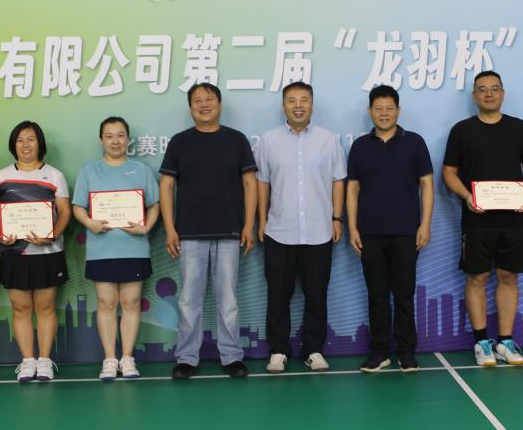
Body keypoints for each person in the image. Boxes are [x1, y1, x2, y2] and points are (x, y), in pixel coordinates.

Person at [442, 71, 523, 367]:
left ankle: (505, 342)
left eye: (494, 89)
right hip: (477, 219)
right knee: (477, 277)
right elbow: (448, 173)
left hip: (514, 219)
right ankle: (482, 342)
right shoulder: (462, 130)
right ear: (474, 95)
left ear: (502, 93)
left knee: (509, 276)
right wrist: (467, 197)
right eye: (482, 89)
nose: (489, 94)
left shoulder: (519, 128)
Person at [159, 83, 257, 379]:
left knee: (228, 300)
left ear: (219, 104)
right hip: (189, 233)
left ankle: (231, 356)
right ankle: (187, 358)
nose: (204, 104)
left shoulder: (236, 140)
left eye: (209, 99)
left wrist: (248, 225)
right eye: (197, 101)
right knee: (189, 300)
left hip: (229, 231)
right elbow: (166, 186)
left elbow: (250, 183)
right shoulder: (180, 142)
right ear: (190, 108)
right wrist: (170, 228)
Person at [256, 81, 347, 373]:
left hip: (319, 231)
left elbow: (338, 180)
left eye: (304, 100)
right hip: (279, 231)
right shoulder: (268, 141)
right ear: (283, 106)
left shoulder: (328, 140)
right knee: (277, 295)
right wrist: (261, 219)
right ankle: (278, 351)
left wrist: (337, 218)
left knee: (316, 295)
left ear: (312, 104)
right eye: (292, 100)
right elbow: (262, 183)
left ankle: (313, 350)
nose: (298, 106)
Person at [346, 85, 434, 373]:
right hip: (369, 232)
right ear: (370, 111)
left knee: (405, 294)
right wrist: (352, 228)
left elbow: (427, 185)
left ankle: (406, 352)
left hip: (407, 231)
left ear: (398, 110)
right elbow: (352, 189)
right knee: (377, 295)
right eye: (378, 108)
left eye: (389, 108)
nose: (384, 113)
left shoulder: (415, 142)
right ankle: (379, 351)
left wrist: (425, 225)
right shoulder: (360, 146)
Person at [72, 117, 160, 381]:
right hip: (102, 249)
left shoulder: (141, 170)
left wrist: (146, 227)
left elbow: (154, 205)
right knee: (107, 303)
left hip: (134, 248)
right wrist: (90, 223)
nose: (115, 141)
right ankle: (110, 359)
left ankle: (128, 358)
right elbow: (78, 207)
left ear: (128, 139)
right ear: (102, 140)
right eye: (109, 136)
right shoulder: (89, 171)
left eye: (120, 135)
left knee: (131, 303)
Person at [0, 121, 71, 383]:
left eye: (31, 139)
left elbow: (64, 212)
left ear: (40, 143)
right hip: (15, 253)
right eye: (20, 139)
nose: (25, 144)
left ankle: (44, 361)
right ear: (13, 144)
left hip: (48, 252)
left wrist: (51, 236)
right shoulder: (1, 176)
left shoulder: (54, 175)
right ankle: (27, 361)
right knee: (20, 308)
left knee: (45, 307)